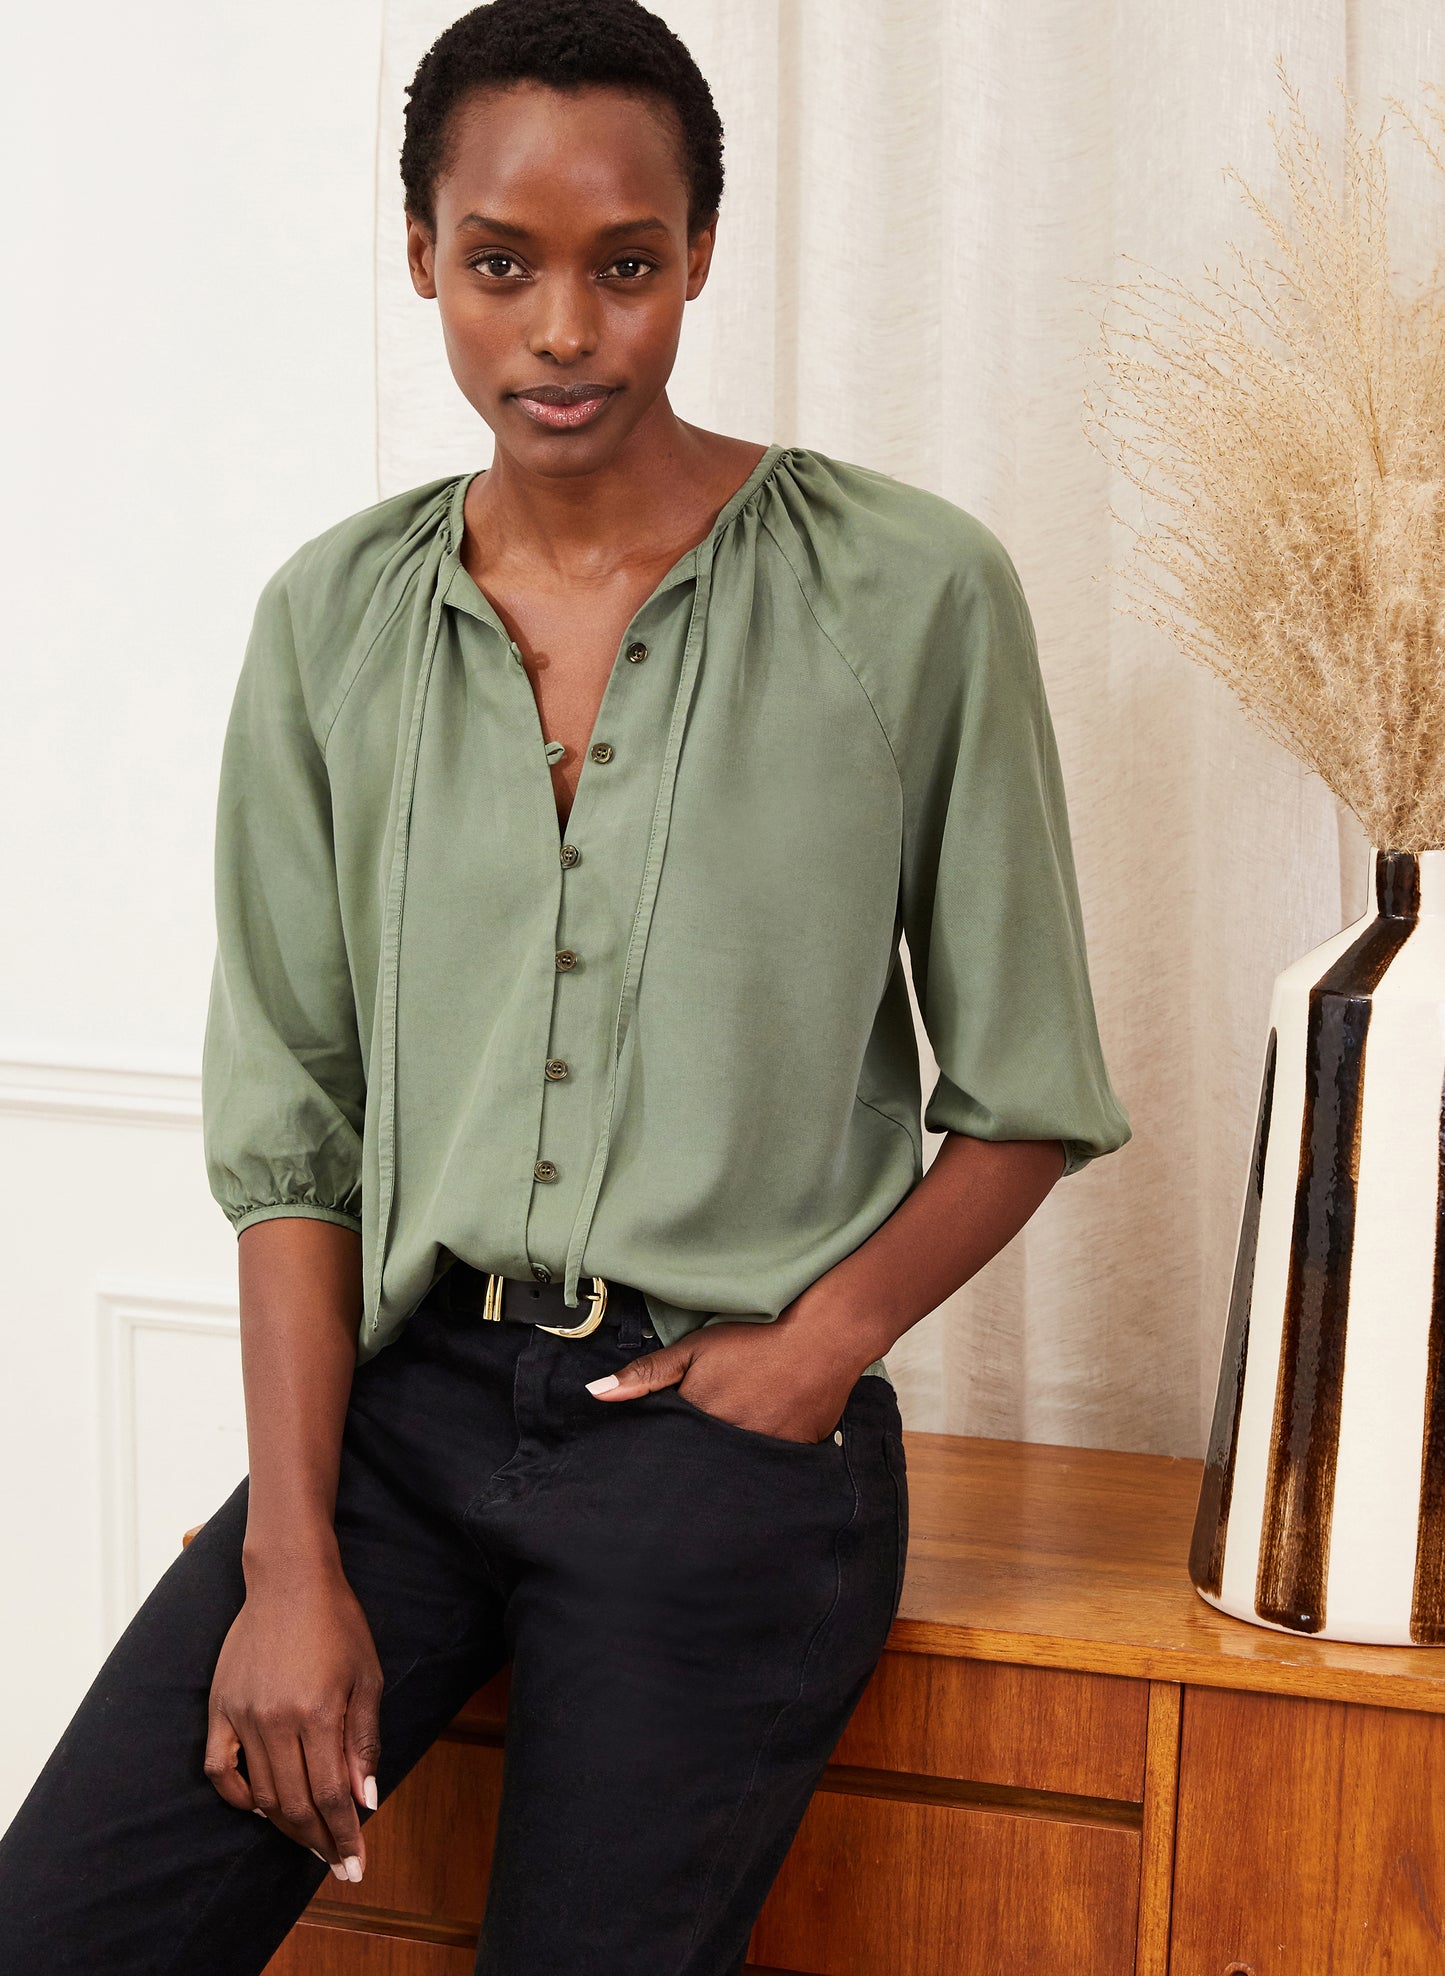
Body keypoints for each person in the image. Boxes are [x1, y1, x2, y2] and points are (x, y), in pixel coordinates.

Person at [0, 1, 1132, 1970]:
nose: (562, 332)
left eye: (624, 266)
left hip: (719, 1448)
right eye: (500, 263)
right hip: (398, 1421)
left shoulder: (909, 590)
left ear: (700, 254)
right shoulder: (331, 619)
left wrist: (816, 1347)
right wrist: (287, 1553)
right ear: (419, 254)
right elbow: (295, 1132)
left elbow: (1026, 1089)